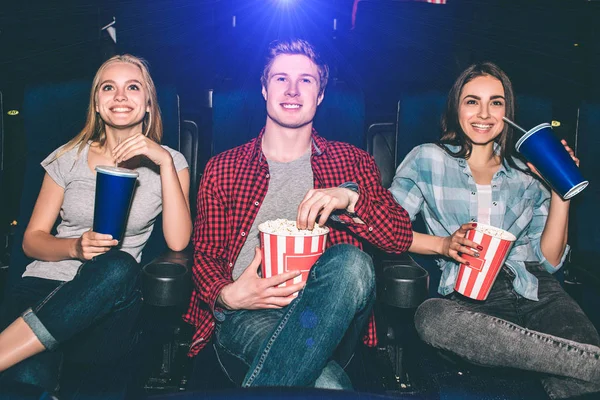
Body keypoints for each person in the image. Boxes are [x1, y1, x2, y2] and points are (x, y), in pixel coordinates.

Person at [184, 38, 412, 389]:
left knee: (352, 261)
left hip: (333, 314)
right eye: (280, 79)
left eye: (306, 80)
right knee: (330, 385)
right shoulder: (223, 168)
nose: (292, 89)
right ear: (264, 88)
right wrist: (227, 294)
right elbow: (205, 257)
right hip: (249, 313)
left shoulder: (352, 161)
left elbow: (399, 238)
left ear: (320, 94)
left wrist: (349, 199)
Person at [389, 62, 600, 399]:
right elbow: (387, 229)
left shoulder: (528, 172)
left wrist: (560, 188)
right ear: (456, 108)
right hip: (468, 301)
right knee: (431, 318)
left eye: (496, 102)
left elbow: (549, 262)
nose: (484, 113)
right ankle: (581, 362)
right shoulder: (427, 159)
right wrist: (443, 245)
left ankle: (563, 361)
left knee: (580, 380)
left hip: (536, 291)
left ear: (507, 111)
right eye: (472, 101)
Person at [0, 54, 192, 397]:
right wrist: (74, 247)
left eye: (132, 87)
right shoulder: (67, 156)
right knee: (27, 384)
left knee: (118, 265)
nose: (120, 96)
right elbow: (32, 240)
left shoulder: (172, 162)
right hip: (44, 289)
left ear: (148, 103)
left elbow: (178, 242)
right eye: (109, 87)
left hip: (109, 308)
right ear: (97, 103)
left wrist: (161, 160)